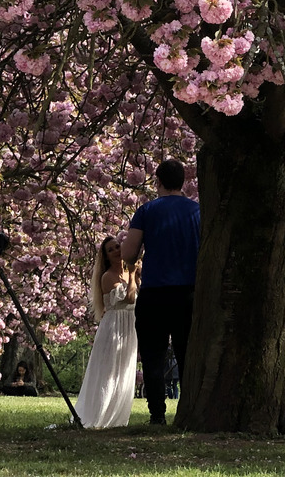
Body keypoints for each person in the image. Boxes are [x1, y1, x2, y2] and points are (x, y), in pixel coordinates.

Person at [122, 158, 200, 426]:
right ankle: (188, 412)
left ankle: (157, 414)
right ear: (183, 182)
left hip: (155, 292)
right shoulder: (197, 212)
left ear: (158, 181)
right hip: (188, 293)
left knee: (153, 355)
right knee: (187, 354)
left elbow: (129, 253)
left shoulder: (146, 211)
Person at [73, 235, 140, 429]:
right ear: (106, 256)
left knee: (124, 370)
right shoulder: (108, 276)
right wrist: (134, 275)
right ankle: (100, 414)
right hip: (114, 326)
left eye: (117, 247)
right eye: (111, 250)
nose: (116, 252)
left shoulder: (129, 272)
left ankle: (118, 417)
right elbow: (128, 299)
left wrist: (135, 275)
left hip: (129, 325)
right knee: (109, 370)